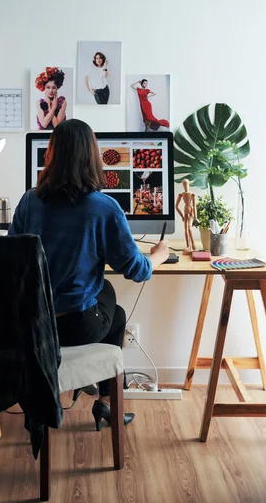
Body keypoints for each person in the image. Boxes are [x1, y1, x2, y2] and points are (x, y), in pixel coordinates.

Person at [9, 119, 169, 430]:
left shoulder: (29, 201)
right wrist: (158, 256)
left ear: (50, 155)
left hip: (30, 327)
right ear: (92, 157)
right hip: (72, 328)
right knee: (114, 308)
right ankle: (107, 403)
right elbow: (136, 270)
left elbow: (11, 256)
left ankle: (92, 387)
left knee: (104, 294)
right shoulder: (104, 208)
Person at [175, 178, 197, 253]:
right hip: (185, 213)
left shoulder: (192, 194)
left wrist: (195, 217)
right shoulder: (181, 195)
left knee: (189, 228)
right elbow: (176, 206)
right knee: (185, 229)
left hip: (190, 213)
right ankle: (188, 246)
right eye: (184, 184)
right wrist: (182, 216)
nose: (185, 186)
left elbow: (194, 206)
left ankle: (193, 243)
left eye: (186, 184)